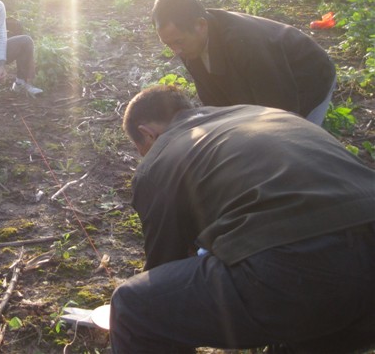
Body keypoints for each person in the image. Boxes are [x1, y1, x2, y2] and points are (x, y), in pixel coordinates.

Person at [110, 85, 375, 353]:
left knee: (135, 308)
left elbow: (163, 266)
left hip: (298, 267)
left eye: (141, 150)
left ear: (147, 133)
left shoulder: (159, 157)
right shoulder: (260, 113)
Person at [151, 0, 336, 126]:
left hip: (307, 77)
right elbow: (214, 100)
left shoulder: (245, 43)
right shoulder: (188, 44)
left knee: (298, 143)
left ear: (200, 25)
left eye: (178, 42)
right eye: (168, 44)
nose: (175, 50)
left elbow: (282, 113)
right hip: (264, 80)